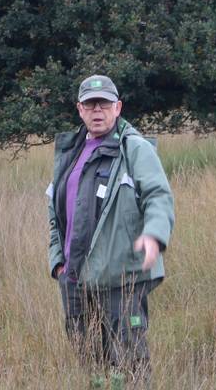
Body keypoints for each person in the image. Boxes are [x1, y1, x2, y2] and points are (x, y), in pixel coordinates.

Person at [47, 74, 175, 384]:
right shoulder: (70, 152)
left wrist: (155, 234)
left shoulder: (135, 149)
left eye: (104, 104)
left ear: (117, 107)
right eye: (90, 105)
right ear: (80, 109)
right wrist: (58, 263)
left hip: (121, 279)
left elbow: (158, 196)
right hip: (75, 278)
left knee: (131, 363)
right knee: (91, 364)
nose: (97, 111)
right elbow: (54, 211)